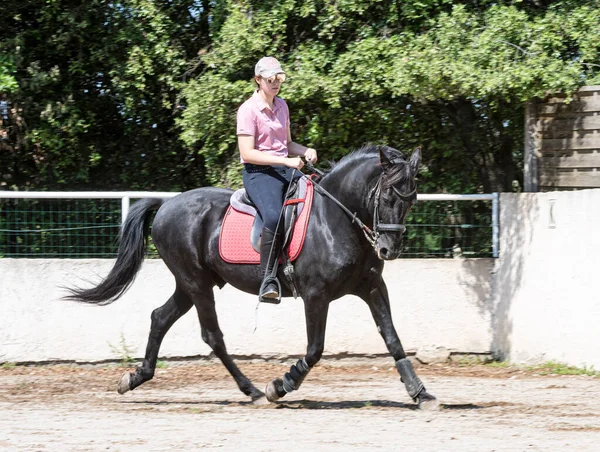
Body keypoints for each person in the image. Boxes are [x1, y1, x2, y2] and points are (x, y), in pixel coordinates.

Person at [237, 56, 318, 303]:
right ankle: (268, 279)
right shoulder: (247, 110)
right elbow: (246, 153)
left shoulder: (282, 106)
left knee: (318, 200)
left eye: (278, 79)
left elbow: (287, 144)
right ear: (258, 80)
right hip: (259, 173)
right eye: (270, 80)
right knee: (273, 216)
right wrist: (285, 160)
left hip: (286, 169)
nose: (276, 84)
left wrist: (304, 150)